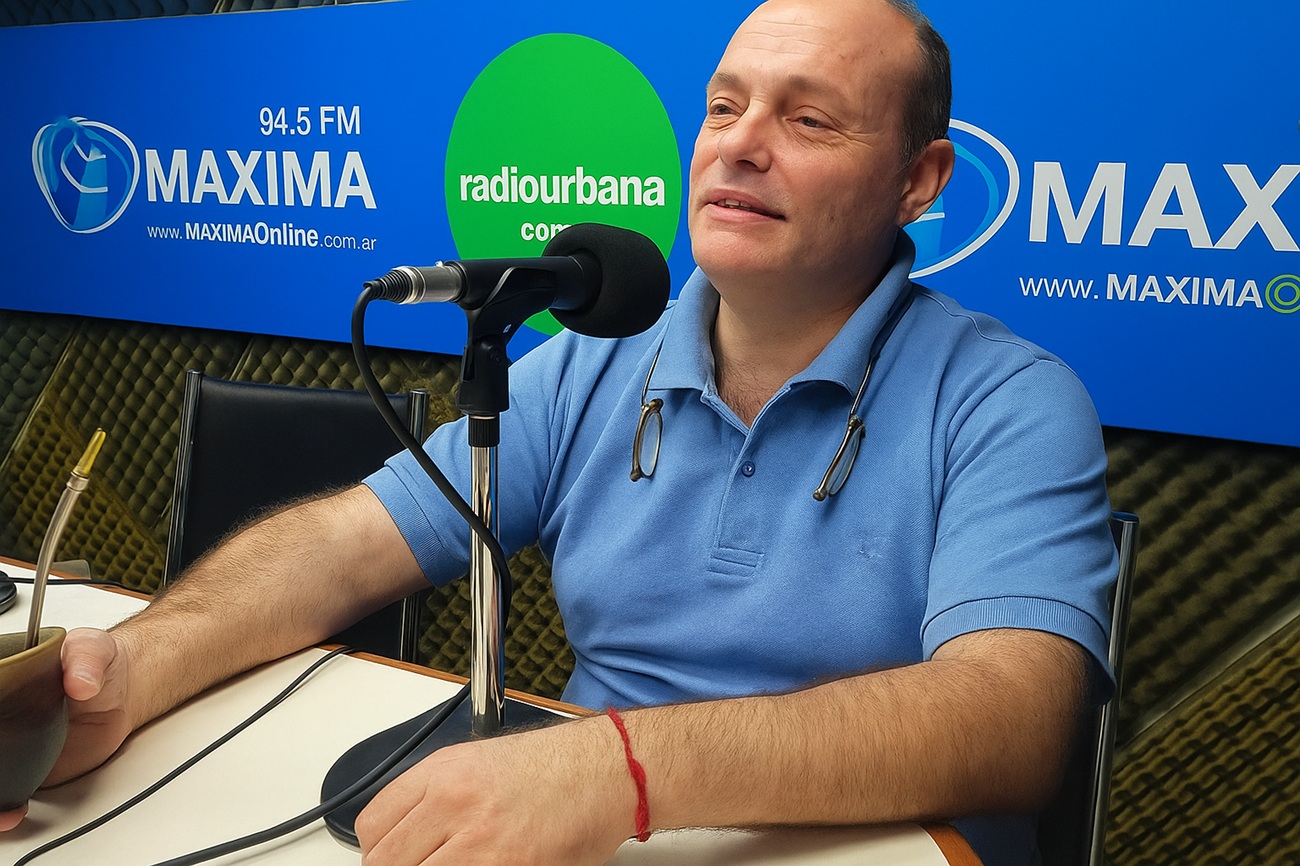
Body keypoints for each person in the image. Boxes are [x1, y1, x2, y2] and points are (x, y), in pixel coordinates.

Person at [1, 1, 1119, 864]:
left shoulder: (1009, 399)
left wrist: (618, 769)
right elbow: (345, 543)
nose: (739, 145)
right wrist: (133, 669)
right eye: (724, 107)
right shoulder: (593, 359)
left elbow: (1011, 720)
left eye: (808, 118)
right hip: (586, 828)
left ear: (919, 180)